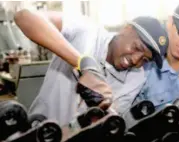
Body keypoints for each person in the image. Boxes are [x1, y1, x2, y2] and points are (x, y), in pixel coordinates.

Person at [14, 9, 168, 125]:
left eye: (145, 59)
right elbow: (24, 17)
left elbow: (109, 120)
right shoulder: (86, 31)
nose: (136, 60)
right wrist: (83, 63)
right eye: (137, 47)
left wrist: (104, 109)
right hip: (39, 130)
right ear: (126, 29)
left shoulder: (136, 77)